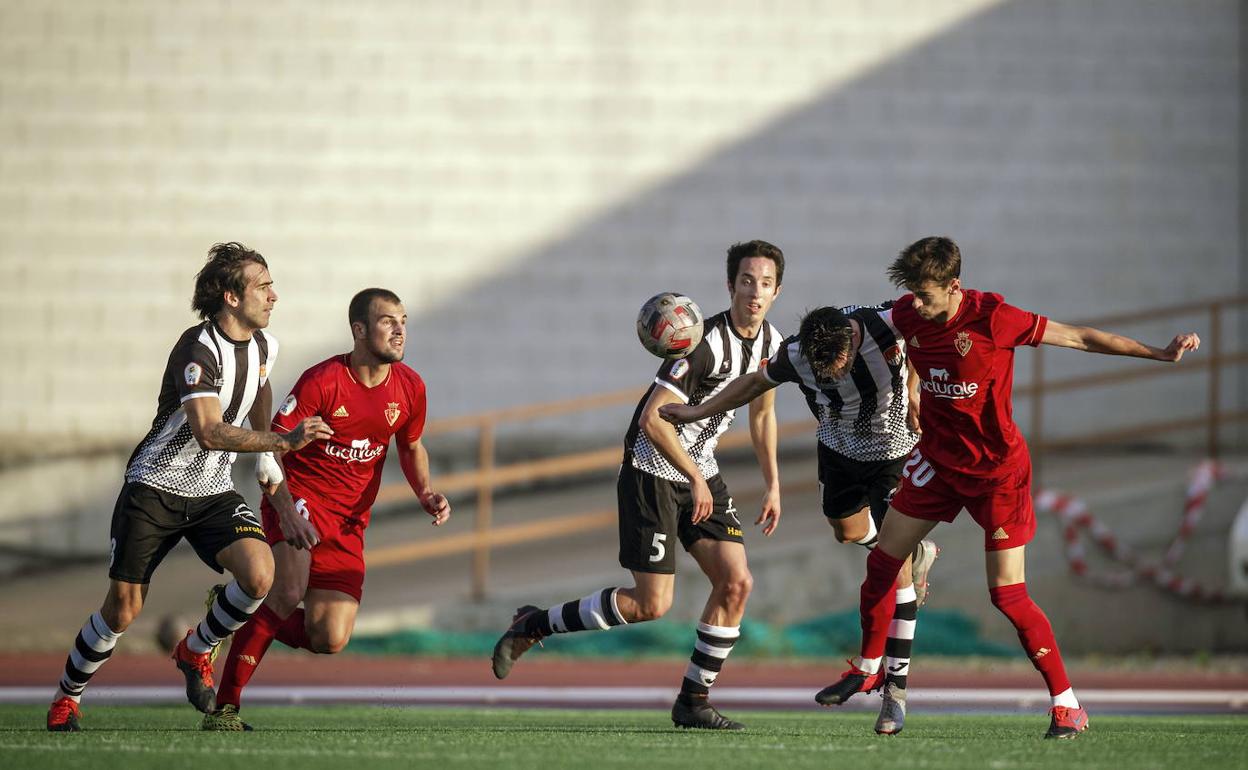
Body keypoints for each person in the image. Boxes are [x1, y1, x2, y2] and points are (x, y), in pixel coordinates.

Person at [816, 236, 1201, 739]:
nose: (916, 304)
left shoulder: (994, 318)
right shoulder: (910, 314)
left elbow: (1080, 337)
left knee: (1008, 595)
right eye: (911, 294)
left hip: (998, 475)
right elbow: (864, 326)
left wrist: (1159, 353)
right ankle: (868, 669)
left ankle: (1067, 704)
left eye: (926, 295)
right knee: (883, 560)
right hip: (937, 462)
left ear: (954, 286)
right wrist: (899, 379)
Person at [490, 240, 786, 730]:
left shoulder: (773, 344)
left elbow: (763, 413)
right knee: (652, 604)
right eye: (747, 281)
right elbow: (652, 419)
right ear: (730, 285)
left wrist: (773, 483)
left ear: (778, 291)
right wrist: (694, 476)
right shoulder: (702, 343)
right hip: (653, 470)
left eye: (766, 283)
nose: (755, 292)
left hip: (700, 472)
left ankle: (693, 701)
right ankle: (533, 624)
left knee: (736, 583)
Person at [46, 243, 333, 732]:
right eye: (263, 286)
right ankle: (67, 697)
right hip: (154, 486)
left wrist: (280, 495)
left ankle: (195, 648)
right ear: (231, 297)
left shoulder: (266, 347)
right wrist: (285, 439)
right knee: (124, 609)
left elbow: (259, 398)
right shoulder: (197, 348)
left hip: (212, 491)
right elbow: (209, 430)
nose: (274, 295)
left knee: (259, 576)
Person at [659, 303, 938, 734]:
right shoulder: (795, 354)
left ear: (852, 339)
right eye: (823, 372)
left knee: (891, 559)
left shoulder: (887, 322)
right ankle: (914, 553)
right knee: (847, 531)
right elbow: (753, 384)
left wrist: (916, 389)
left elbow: (928, 327)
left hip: (894, 451)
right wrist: (698, 411)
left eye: (839, 368)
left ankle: (894, 691)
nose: (833, 377)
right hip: (838, 450)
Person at [204, 288, 451, 730]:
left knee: (330, 637)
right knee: (287, 592)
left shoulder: (411, 387)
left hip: (350, 523)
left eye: (404, 321)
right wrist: (285, 509)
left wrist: (426, 491)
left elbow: (411, 446)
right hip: (299, 498)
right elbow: (271, 449)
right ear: (359, 330)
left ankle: (231, 607)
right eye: (387, 320)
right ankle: (226, 706)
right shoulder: (322, 381)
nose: (399, 330)